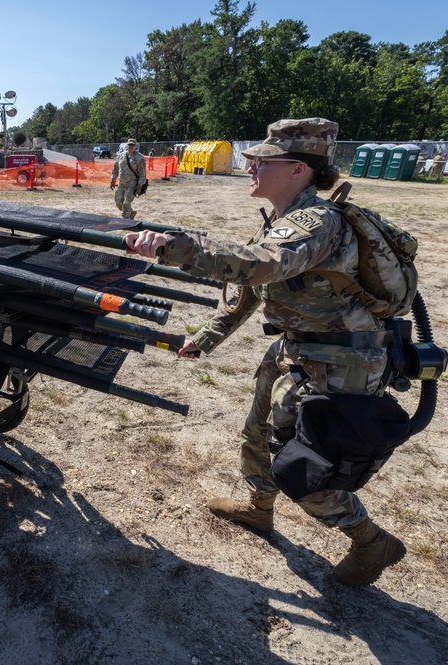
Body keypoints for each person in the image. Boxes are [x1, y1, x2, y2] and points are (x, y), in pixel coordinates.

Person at [124, 117, 406, 587]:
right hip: (296, 350)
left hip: (341, 363)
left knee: (307, 470)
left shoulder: (317, 223)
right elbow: (252, 287)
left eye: (262, 160)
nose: (250, 165)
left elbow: (257, 265)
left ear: (299, 169)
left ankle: (372, 542)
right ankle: (259, 510)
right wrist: (209, 336)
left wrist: (174, 246)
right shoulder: (283, 220)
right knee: (257, 436)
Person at [110, 138, 147, 219]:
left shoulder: (139, 158)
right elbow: (115, 168)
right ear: (127, 146)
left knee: (126, 203)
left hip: (132, 184)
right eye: (129, 144)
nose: (130, 146)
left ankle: (126, 221)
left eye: (132, 145)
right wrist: (113, 179)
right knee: (118, 201)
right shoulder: (121, 156)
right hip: (121, 183)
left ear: (135, 146)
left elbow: (142, 173)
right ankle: (131, 213)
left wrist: (140, 185)